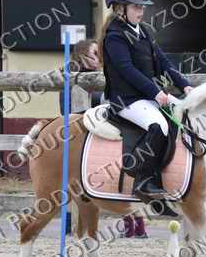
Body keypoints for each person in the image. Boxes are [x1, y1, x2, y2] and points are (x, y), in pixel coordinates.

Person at [100, 0, 193, 202]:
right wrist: (156, 93)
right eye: (136, 7)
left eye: (142, 7)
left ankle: (167, 178)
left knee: (182, 114)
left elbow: (163, 61)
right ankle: (142, 182)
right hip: (125, 100)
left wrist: (185, 85)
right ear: (120, 8)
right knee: (158, 125)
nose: (141, 11)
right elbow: (127, 70)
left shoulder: (142, 31)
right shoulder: (114, 37)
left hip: (146, 98)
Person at [60, 38, 150, 239]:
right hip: (83, 135)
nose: (98, 58)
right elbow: (67, 112)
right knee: (73, 181)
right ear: (82, 55)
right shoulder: (72, 78)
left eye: (99, 54)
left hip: (108, 131)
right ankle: (69, 225)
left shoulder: (106, 75)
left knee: (122, 173)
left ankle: (136, 225)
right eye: (94, 54)